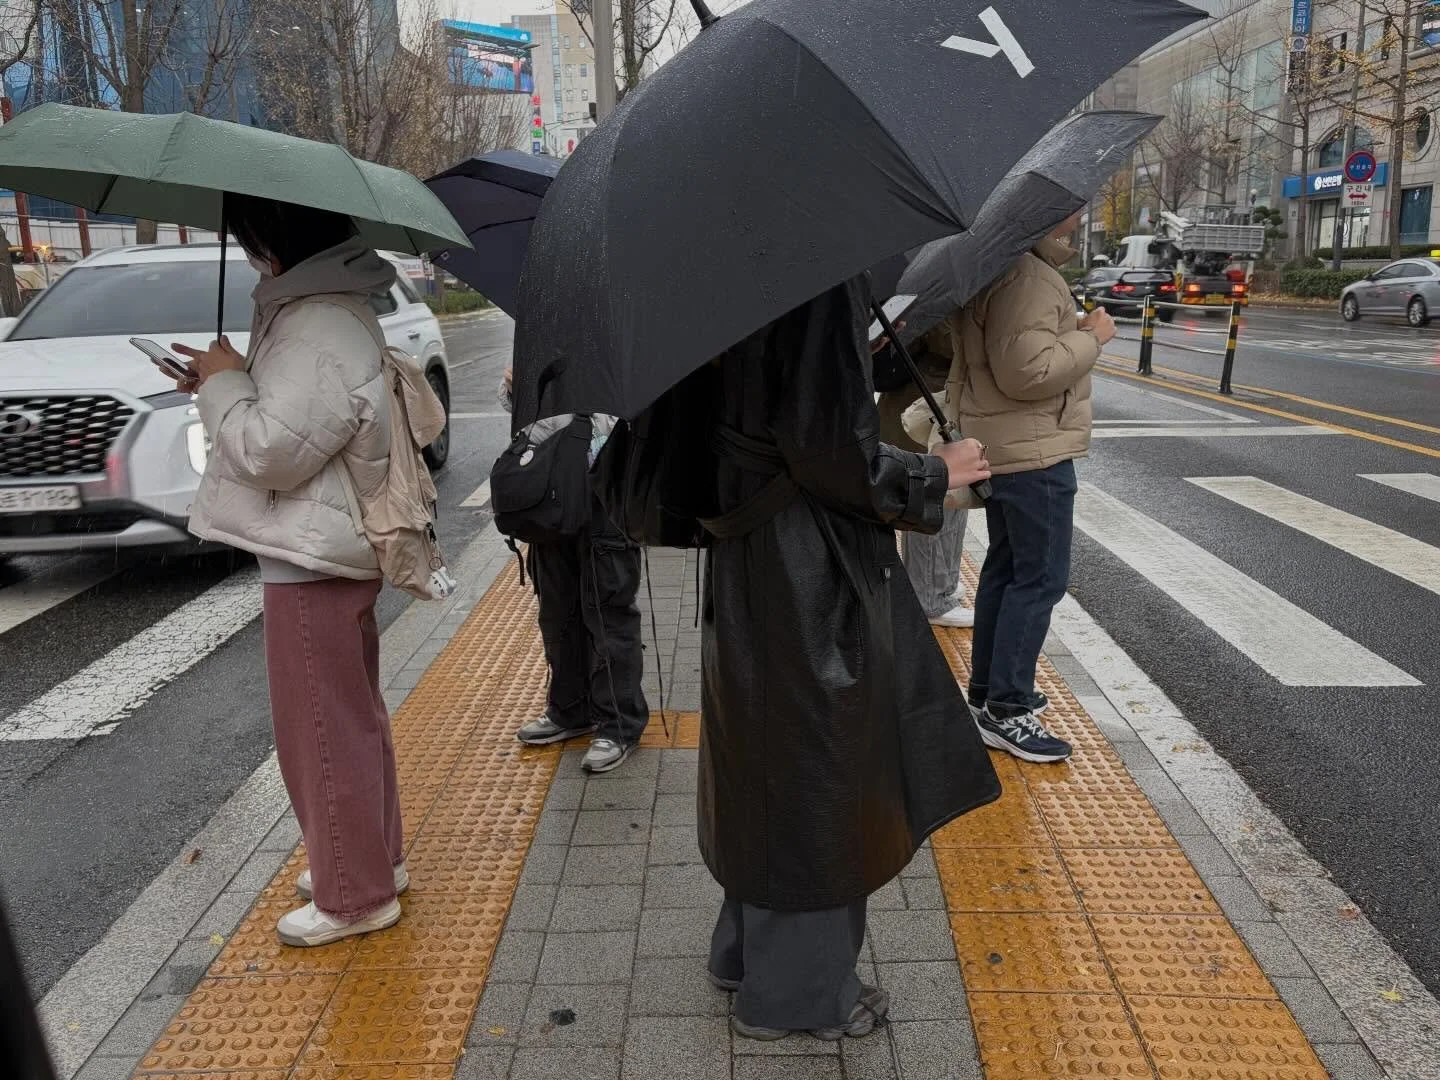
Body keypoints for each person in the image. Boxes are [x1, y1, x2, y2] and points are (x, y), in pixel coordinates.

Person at [698, 277, 999, 1041]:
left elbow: (777, 427)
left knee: (761, 759)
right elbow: (832, 452)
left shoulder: (714, 281)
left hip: (748, 553)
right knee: (819, 772)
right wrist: (936, 471)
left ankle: (744, 952)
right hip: (810, 566)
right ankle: (794, 995)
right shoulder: (812, 282)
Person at [170, 196, 407, 946]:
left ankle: (354, 895)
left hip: (311, 556)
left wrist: (224, 386)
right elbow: (295, 419)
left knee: (321, 732)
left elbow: (272, 451)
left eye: (250, 239)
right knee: (352, 717)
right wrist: (222, 381)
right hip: (325, 545)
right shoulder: (323, 312)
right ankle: (374, 860)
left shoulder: (314, 325)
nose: (248, 254)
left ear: (275, 242)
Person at [943, 214, 1115, 764]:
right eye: (1073, 207)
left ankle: (988, 693)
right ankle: (1007, 708)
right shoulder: (1029, 276)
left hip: (1010, 446)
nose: (1080, 213)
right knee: (1039, 580)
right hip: (1034, 451)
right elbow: (1027, 373)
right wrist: (1091, 337)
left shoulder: (1005, 266)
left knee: (1007, 571)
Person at [501, 366, 650, 773]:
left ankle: (619, 723)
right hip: (549, 490)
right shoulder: (542, 337)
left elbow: (633, 412)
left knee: (608, 612)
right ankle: (570, 709)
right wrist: (517, 387)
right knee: (557, 610)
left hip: (606, 490)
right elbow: (519, 414)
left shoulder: (619, 341)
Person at [875, 324, 972, 627]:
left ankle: (941, 585)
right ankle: (930, 597)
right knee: (934, 498)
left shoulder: (939, 297)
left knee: (952, 500)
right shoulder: (937, 305)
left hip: (935, 404)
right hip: (924, 412)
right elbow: (950, 341)